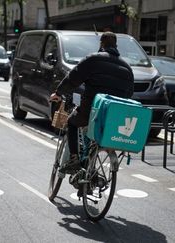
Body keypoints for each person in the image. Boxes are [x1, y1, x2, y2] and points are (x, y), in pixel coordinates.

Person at [49, 32, 134, 173]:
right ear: (116, 45)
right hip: (115, 114)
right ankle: (91, 165)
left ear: (101, 44)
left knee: (72, 122)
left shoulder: (93, 60)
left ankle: (74, 159)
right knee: (98, 132)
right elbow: (130, 93)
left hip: (92, 108)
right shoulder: (127, 67)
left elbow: (73, 78)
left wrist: (58, 93)